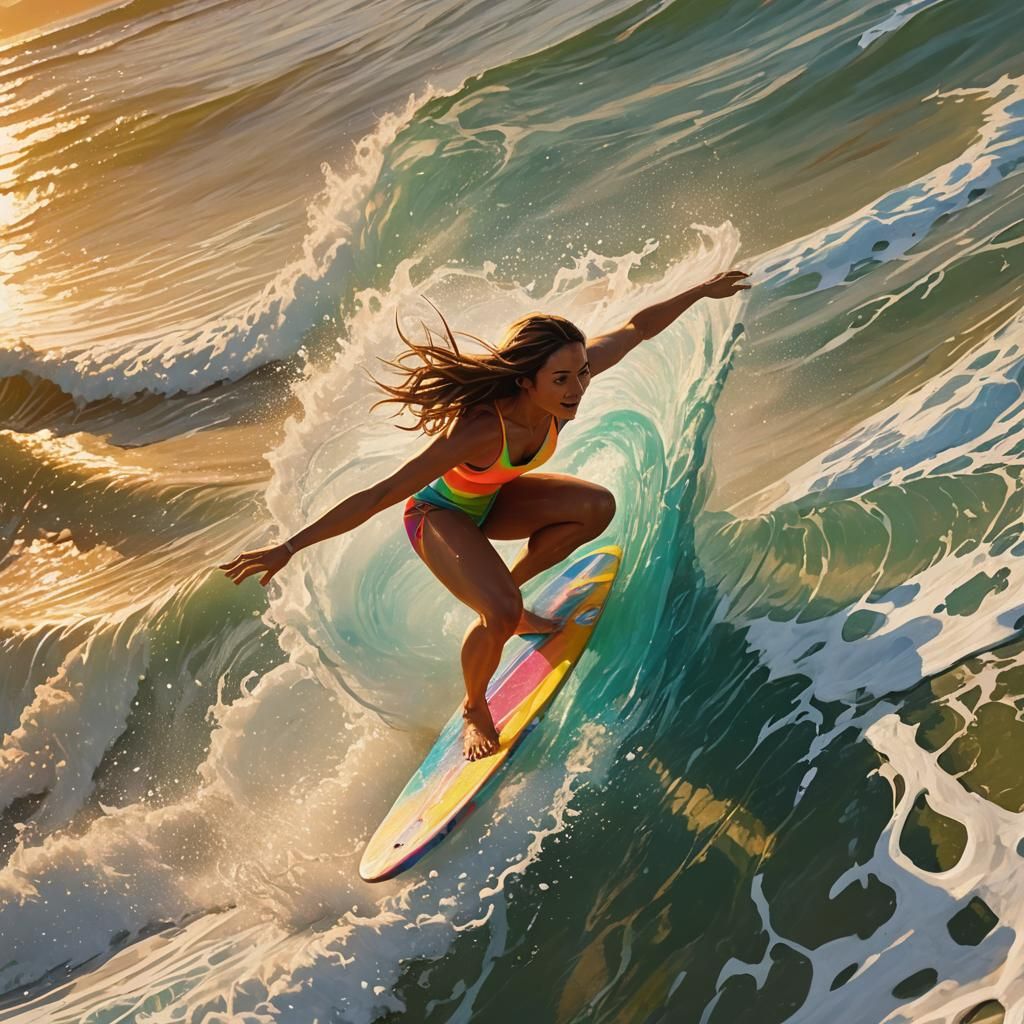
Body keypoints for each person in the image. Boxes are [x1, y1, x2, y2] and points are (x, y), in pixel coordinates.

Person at [219, 269, 750, 760]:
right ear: (526, 381)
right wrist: (289, 547)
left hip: (493, 501)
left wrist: (702, 290)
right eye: (562, 379)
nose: (577, 388)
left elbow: (637, 328)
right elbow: (382, 493)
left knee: (595, 508)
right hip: (437, 515)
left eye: (582, 372)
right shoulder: (478, 430)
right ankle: (475, 705)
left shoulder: (565, 387)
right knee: (496, 612)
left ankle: (509, 604)